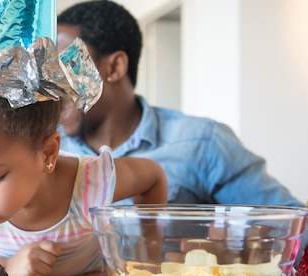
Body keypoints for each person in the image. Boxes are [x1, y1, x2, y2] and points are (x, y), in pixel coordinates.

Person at [0, 71, 168, 276]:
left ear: (48, 152)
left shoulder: (92, 182)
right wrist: (6, 267)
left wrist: (144, 259)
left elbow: (153, 176)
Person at [57, 0, 304, 208]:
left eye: (65, 67)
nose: (52, 87)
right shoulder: (44, 150)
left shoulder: (203, 144)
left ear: (114, 67)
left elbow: (294, 228)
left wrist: (219, 246)